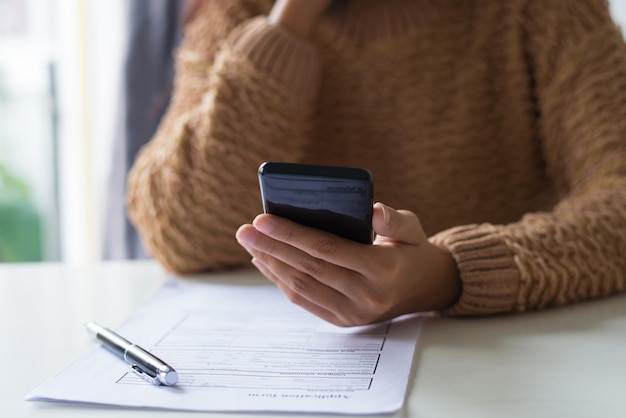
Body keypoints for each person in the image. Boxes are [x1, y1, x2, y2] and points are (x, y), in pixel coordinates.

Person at [126, 0, 626, 326]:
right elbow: (178, 229)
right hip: (304, 372)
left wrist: (448, 274)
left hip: (509, 357)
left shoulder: (543, 11)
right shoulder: (238, 12)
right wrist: (287, 25)